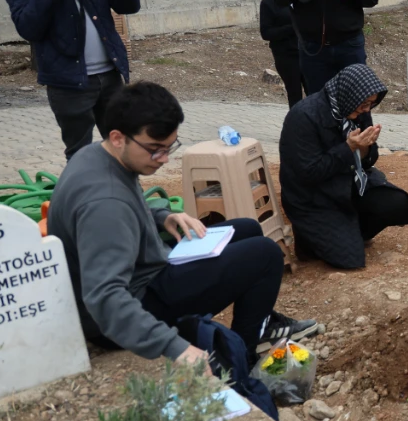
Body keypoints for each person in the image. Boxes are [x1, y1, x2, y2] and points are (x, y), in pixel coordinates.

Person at [47, 82, 317, 365]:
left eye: (169, 147)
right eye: (155, 149)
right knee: (266, 254)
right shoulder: (105, 204)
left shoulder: (96, 155)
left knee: (247, 228)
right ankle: (239, 357)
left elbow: (125, 207)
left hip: (144, 270)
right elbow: (105, 298)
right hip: (133, 304)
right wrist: (175, 347)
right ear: (118, 137)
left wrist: (163, 216)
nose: (164, 159)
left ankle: (259, 322)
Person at [4, 0, 140, 161]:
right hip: (68, 81)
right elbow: (29, 29)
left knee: (124, 148)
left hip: (111, 75)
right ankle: (85, 188)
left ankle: (122, 188)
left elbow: (128, 6)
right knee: (81, 154)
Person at [279, 64, 408, 269]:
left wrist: (365, 147)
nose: (366, 110)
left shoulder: (357, 108)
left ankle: (351, 232)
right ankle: (311, 242)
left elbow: (368, 161)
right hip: (314, 196)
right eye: (364, 104)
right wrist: (348, 148)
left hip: (348, 182)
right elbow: (309, 173)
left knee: (396, 204)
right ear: (350, 95)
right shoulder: (304, 116)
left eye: (371, 104)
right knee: (348, 260)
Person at [260, 0, 305, 108]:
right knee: (295, 95)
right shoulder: (269, 2)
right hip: (286, 57)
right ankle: (297, 122)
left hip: (308, 54)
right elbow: (266, 33)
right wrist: (291, 28)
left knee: (315, 93)